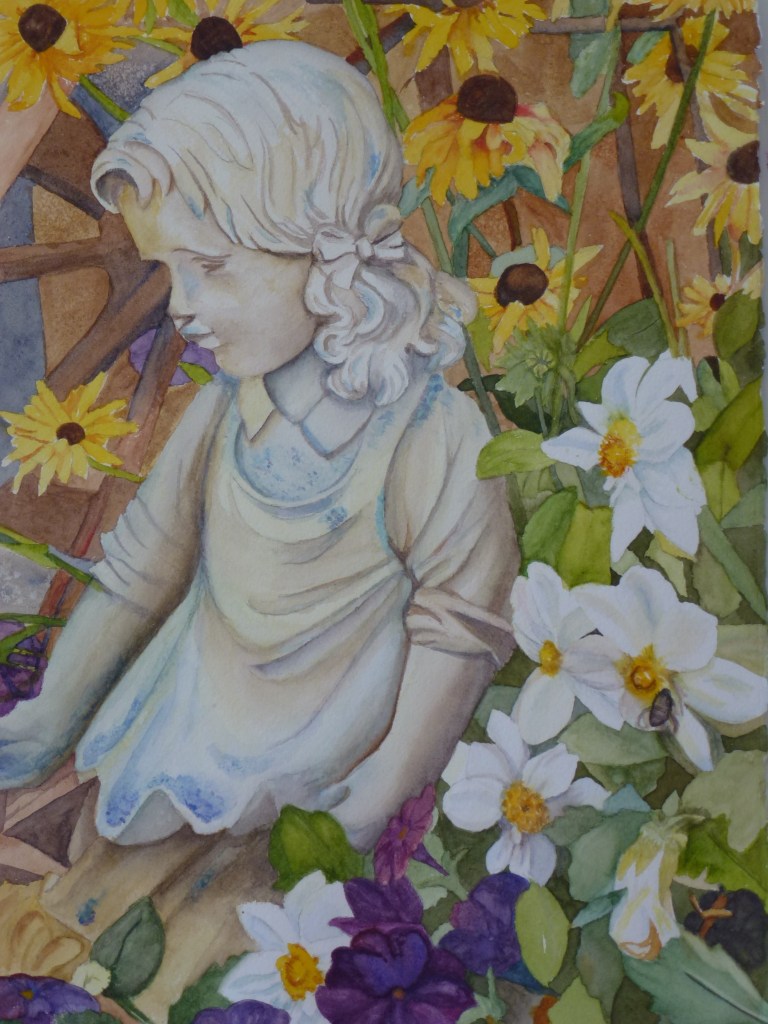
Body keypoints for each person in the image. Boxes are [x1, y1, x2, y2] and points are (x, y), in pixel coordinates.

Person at [0, 40, 518, 856]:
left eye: (212, 266)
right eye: (170, 271)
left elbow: (459, 629)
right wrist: (47, 718)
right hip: (181, 747)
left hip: (328, 780)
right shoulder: (226, 412)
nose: (182, 307)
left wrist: (382, 793)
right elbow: (140, 573)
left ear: (327, 251)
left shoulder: (427, 432)